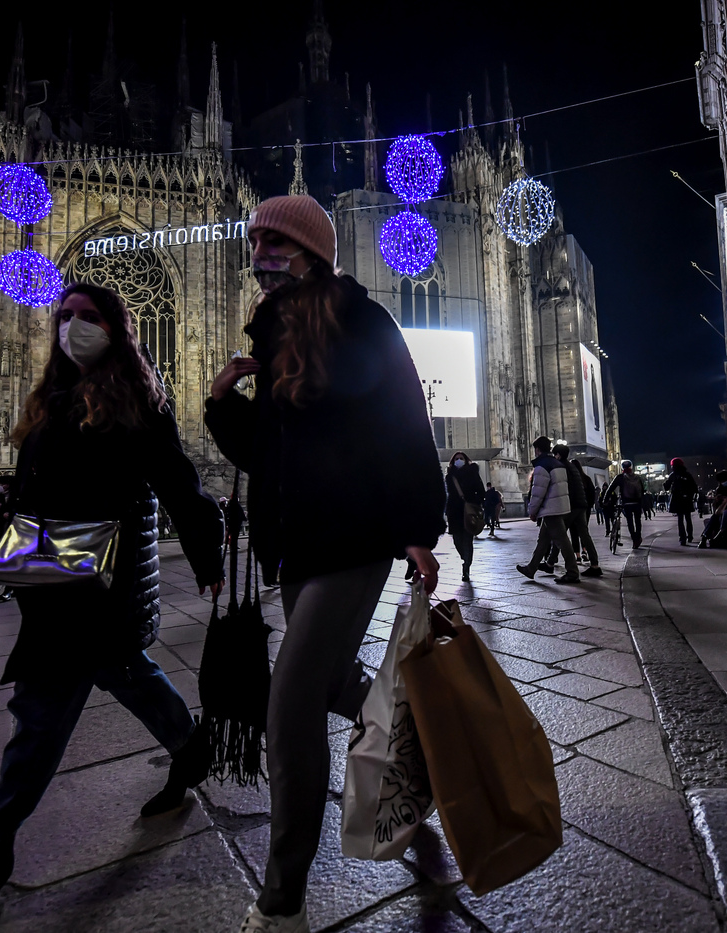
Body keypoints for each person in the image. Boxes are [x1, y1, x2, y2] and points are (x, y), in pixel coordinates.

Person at [0, 282, 226, 933]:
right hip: (52, 566)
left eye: (88, 316)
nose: (73, 326)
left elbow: (180, 480)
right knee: (131, 673)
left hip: (97, 581)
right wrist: (13, 508)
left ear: (117, 329)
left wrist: (208, 556)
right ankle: (192, 747)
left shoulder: (138, 401)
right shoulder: (53, 400)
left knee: (39, 712)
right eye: (64, 316)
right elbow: (41, 481)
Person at [203, 195, 444, 933]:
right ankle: (423, 750)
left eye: (274, 240)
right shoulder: (273, 333)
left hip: (358, 535)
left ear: (310, 250)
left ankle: (284, 897)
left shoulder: (361, 320)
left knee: (293, 696)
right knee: (335, 679)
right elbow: (270, 458)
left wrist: (418, 527)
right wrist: (221, 404)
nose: (260, 253)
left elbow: (404, 417)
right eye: (254, 242)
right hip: (298, 543)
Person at [515, 436, 579, 584]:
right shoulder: (558, 464)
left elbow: (538, 491)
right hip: (561, 507)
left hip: (551, 510)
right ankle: (531, 568)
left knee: (562, 541)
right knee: (543, 540)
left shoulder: (541, 466)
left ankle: (573, 572)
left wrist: (532, 510)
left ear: (537, 450)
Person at [557, 447, 601, 577]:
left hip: (573, 506)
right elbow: (592, 493)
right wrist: (589, 505)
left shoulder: (565, 468)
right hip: (583, 507)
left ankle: (558, 562)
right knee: (583, 534)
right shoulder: (584, 477)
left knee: (562, 533)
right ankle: (594, 564)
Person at [445, 451, 484, 582]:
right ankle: (465, 558)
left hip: (469, 512)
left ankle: (466, 567)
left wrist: (474, 502)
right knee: (457, 541)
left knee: (467, 541)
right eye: (457, 459)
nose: (459, 460)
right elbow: (447, 494)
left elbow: (481, 491)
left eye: (461, 458)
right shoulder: (450, 476)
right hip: (454, 512)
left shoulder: (472, 473)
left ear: (466, 460)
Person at [609, 460, 646, 548]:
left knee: (630, 521)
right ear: (631, 467)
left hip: (626, 503)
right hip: (637, 503)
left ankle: (634, 539)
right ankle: (638, 538)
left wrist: (604, 500)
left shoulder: (620, 477)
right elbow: (642, 491)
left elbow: (610, 489)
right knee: (638, 520)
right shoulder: (638, 477)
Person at [665, 458, 700, 546]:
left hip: (677, 499)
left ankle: (682, 538)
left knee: (680, 519)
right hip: (687, 499)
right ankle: (690, 536)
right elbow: (694, 487)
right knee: (688, 518)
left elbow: (666, 486)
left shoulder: (673, 475)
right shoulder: (687, 474)